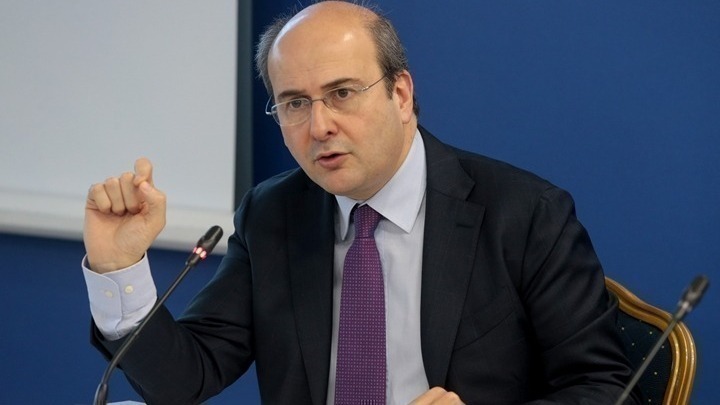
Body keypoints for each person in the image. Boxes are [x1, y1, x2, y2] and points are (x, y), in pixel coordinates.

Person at [83, 1, 640, 404]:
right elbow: (186, 379)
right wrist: (118, 269)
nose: (319, 126)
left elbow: (605, 387)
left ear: (401, 94)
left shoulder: (523, 214)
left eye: (342, 93)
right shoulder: (274, 214)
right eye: (294, 103)